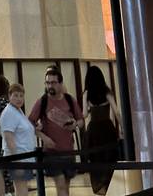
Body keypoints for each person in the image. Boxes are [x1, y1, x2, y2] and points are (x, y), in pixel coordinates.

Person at [28, 66, 83, 196]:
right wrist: (43, 137)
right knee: (61, 186)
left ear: (60, 83)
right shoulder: (42, 101)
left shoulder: (70, 100)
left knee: (66, 187)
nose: (50, 86)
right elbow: (30, 123)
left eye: (53, 82)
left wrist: (75, 125)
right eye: (47, 83)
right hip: (52, 153)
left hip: (69, 151)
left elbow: (81, 121)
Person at [82, 66, 120, 195]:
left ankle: (100, 188)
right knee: (109, 158)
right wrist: (122, 128)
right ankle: (109, 185)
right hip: (107, 128)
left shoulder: (87, 93)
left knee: (96, 159)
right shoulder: (107, 91)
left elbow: (84, 114)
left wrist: (89, 109)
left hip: (93, 130)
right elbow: (116, 112)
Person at [0, 83, 36, 196]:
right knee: (21, 190)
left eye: (21, 95)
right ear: (9, 96)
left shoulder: (18, 111)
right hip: (19, 158)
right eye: (15, 95)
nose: (19, 99)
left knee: (21, 189)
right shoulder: (9, 112)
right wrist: (17, 160)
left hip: (25, 157)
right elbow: (8, 137)